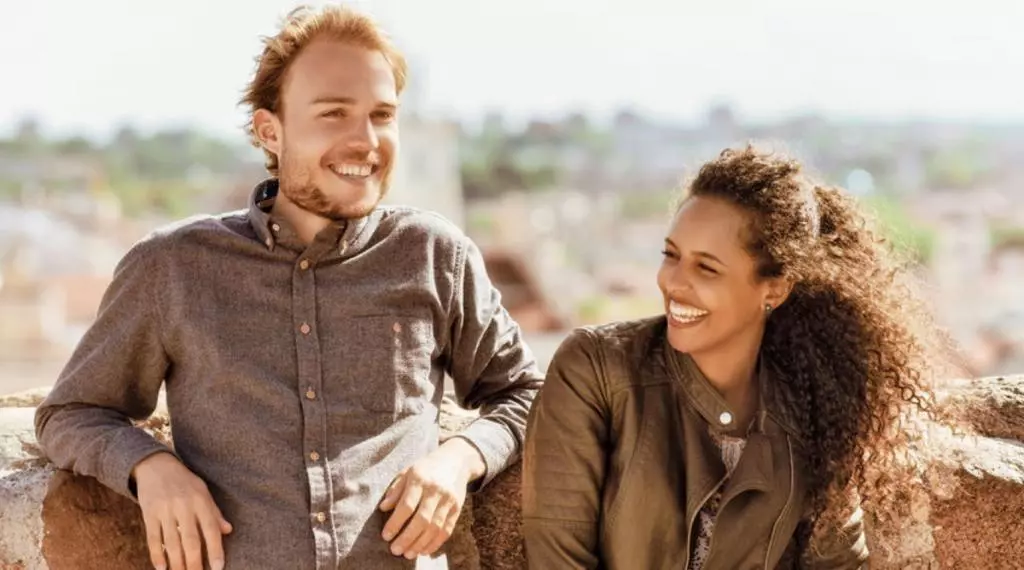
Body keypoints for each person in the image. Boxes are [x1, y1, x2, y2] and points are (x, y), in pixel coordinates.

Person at [35, 5, 543, 570]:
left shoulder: (434, 255)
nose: (366, 141)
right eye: (334, 114)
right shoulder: (172, 267)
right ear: (269, 131)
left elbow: (526, 392)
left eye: (382, 114)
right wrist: (150, 466)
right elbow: (71, 412)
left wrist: (461, 456)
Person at [522, 145, 946, 569]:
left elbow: (838, 563)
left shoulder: (816, 405)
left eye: (706, 268)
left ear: (775, 289)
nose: (674, 283)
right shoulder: (595, 369)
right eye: (671, 255)